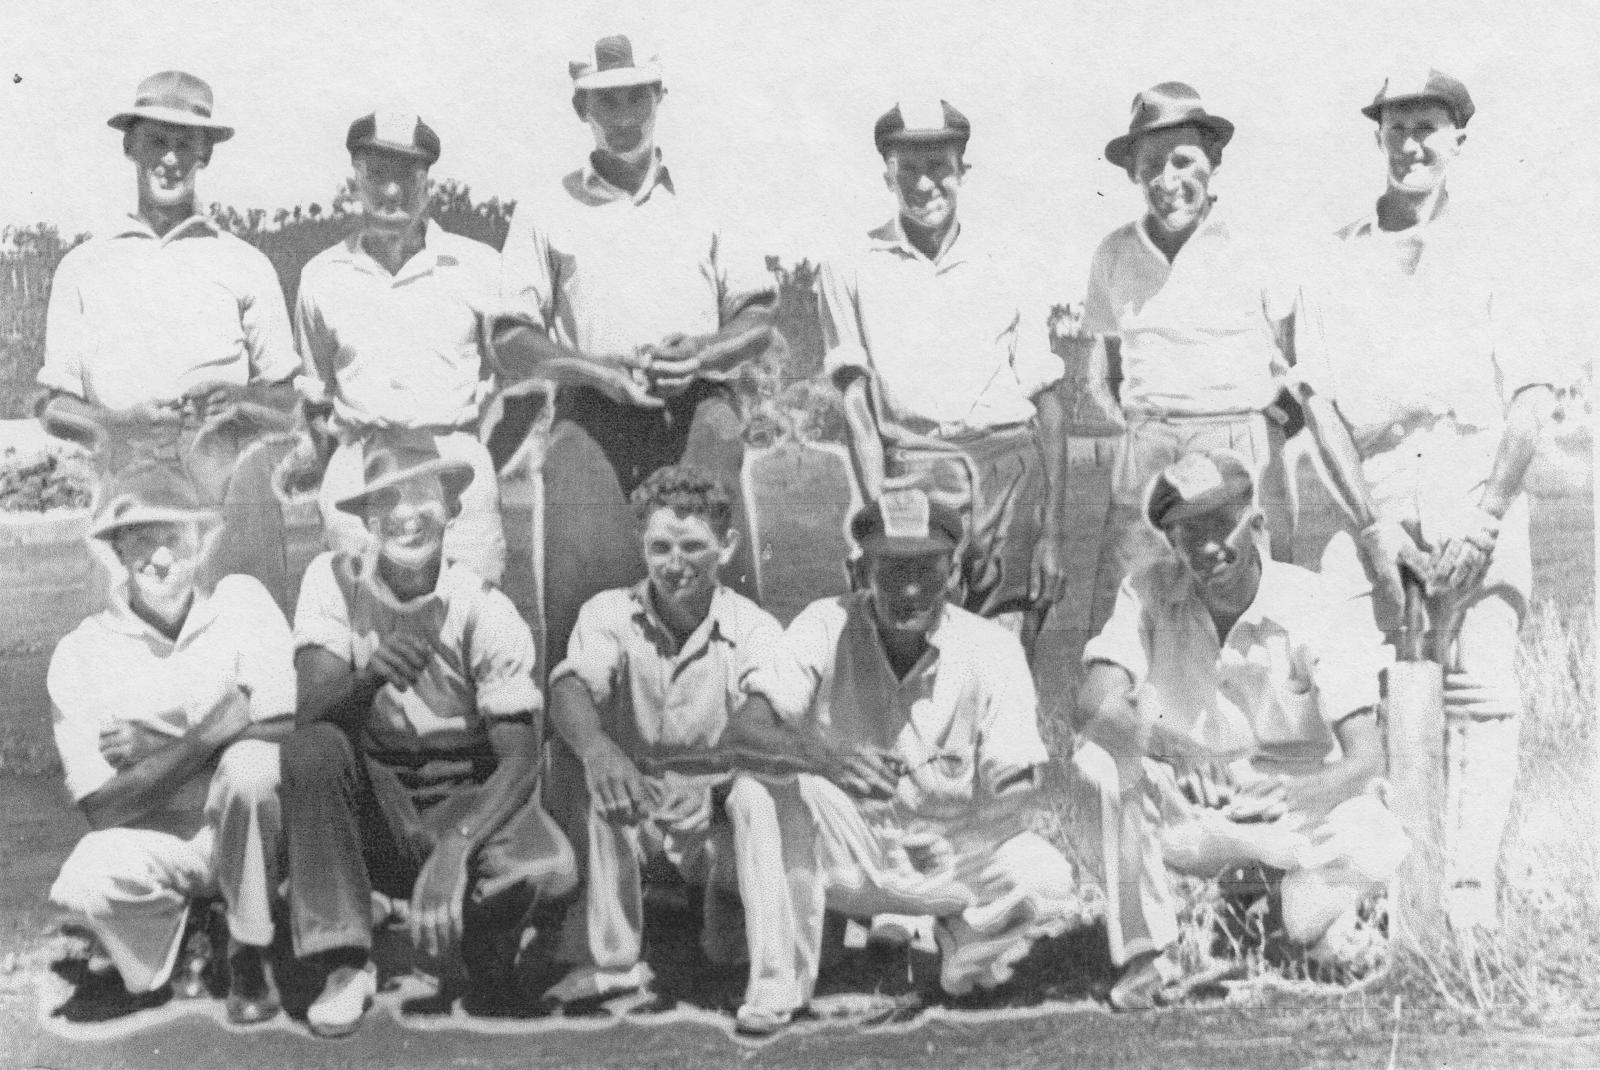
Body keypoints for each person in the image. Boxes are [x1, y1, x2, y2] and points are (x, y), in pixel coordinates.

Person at [1290, 64, 1560, 933]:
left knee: (1480, 691)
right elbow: (1320, 403)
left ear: (1458, 139)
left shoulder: (1500, 248)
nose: (1413, 143)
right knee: (1356, 691)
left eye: (1429, 127)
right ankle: (1384, 896)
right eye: (1397, 127)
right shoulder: (1334, 256)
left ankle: (1466, 900)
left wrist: (1485, 520)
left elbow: (1528, 400)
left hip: (1474, 471)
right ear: (1378, 137)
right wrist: (1368, 527)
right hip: (1374, 487)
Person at [723, 489, 1084, 1011]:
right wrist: (828, 762)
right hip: (853, 852)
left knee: (1047, 878)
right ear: (857, 573)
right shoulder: (824, 624)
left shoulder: (994, 648)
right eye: (890, 570)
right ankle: (780, 985)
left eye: (927, 571)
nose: (910, 589)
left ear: (954, 575)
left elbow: (1016, 780)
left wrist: (998, 803)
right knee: (755, 789)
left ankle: (961, 940)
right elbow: (744, 732)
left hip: (950, 855)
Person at [1070, 451, 1407, 1009]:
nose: (1206, 549)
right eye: (1186, 534)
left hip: (1295, 811)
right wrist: (1167, 746)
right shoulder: (1147, 590)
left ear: (1256, 526)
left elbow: (1365, 758)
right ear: (1170, 543)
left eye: (1219, 527)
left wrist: (1296, 794)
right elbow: (1093, 703)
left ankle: (1272, 921)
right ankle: (1151, 957)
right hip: (1197, 808)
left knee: (1379, 839)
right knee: (1097, 760)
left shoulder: (1315, 601)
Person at [493, 32, 780, 670]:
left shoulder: (711, 194)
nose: (623, 118)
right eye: (605, 103)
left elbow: (758, 318)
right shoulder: (545, 207)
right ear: (580, 110)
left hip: (697, 414)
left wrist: (702, 354)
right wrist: (595, 370)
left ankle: (738, 762)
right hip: (593, 419)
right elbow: (512, 338)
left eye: (636, 99)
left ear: (659, 97)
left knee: (717, 607)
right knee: (583, 615)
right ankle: (579, 763)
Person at [280, 430, 576, 1036]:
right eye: (385, 502)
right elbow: (310, 717)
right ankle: (345, 959)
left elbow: (519, 761)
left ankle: (451, 926)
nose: (406, 516)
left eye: (422, 497)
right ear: (364, 516)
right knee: (312, 750)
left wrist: (455, 848)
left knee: (552, 870)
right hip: (376, 796)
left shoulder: (485, 607)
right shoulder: (333, 581)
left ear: (453, 508)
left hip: (463, 789)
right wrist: (367, 680)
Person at [540, 465, 801, 1036]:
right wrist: (600, 751)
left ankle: (773, 976)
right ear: (641, 546)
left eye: (693, 546)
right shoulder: (608, 612)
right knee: (594, 766)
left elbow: (766, 719)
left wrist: (718, 777)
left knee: (755, 801)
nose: (675, 563)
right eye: (659, 546)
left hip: (715, 825)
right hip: (643, 820)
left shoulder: (753, 627)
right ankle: (613, 959)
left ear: (727, 548)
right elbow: (569, 687)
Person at [37, 70, 300, 612]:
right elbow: (50, 403)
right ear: (130, 145)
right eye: (158, 141)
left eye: (187, 144)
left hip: (232, 510)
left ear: (206, 154)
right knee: (127, 676)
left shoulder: (245, 263)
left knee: (246, 675)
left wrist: (241, 402)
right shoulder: (83, 266)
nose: (171, 159)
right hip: (127, 506)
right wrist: (115, 423)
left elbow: (290, 402)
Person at [47, 460, 294, 1025]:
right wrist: (210, 729)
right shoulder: (80, 652)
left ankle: (251, 949)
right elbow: (103, 807)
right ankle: (188, 931)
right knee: (87, 874)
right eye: (139, 541)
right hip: (165, 843)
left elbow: (284, 726)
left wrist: (151, 742)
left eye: (174, 539)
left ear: (202, 542)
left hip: (256, 832)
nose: (159, 558)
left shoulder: (242, 602)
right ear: (115, 551)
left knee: (253, 767)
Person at [817, 100, 1068, 654]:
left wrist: (1052, 530)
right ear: (887, 172)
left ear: (963, 172)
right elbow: (856, 405)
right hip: (916, 471)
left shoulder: (1010, 259)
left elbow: (1047, 401)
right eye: (909, 169)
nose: (925, 184)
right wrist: (869, 507)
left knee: (1006, 652)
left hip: (1011, 473)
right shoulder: (850, 264)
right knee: (917, 649)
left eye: (940, 167)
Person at [1080, 82, 1297, 641]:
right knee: (1128, 615)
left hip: (1236, 447)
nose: (1168, 180)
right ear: (1133, 173)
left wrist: (1253, 432)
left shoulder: (1255, 246)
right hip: (1149, 449)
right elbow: (1105, 371)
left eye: (1184, 160)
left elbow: (1296, 369)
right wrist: (1146, 429)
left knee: (1245, 615)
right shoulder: (1112, 254)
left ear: (1214, 160)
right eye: (1151, 164)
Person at [294, 110, 510, 583]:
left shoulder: (479, 267)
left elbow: (509, 382)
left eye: (406, 176)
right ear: (355, 179)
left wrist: (474, 450)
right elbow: (316, 396)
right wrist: (342, 472)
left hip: (456, 466)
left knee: (471, 619)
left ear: (428, 181)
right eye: (377, 175)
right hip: (361, 468)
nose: (391, 192)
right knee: (362, 630)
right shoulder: (321, 276)